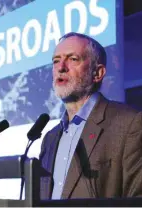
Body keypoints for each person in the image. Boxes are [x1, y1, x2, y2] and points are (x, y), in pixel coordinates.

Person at [39, 32, 142, 200]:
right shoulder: (50, 138)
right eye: (56, 61)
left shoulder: (130, 124)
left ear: (98, 73)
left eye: (73, 59)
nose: (61, 67)